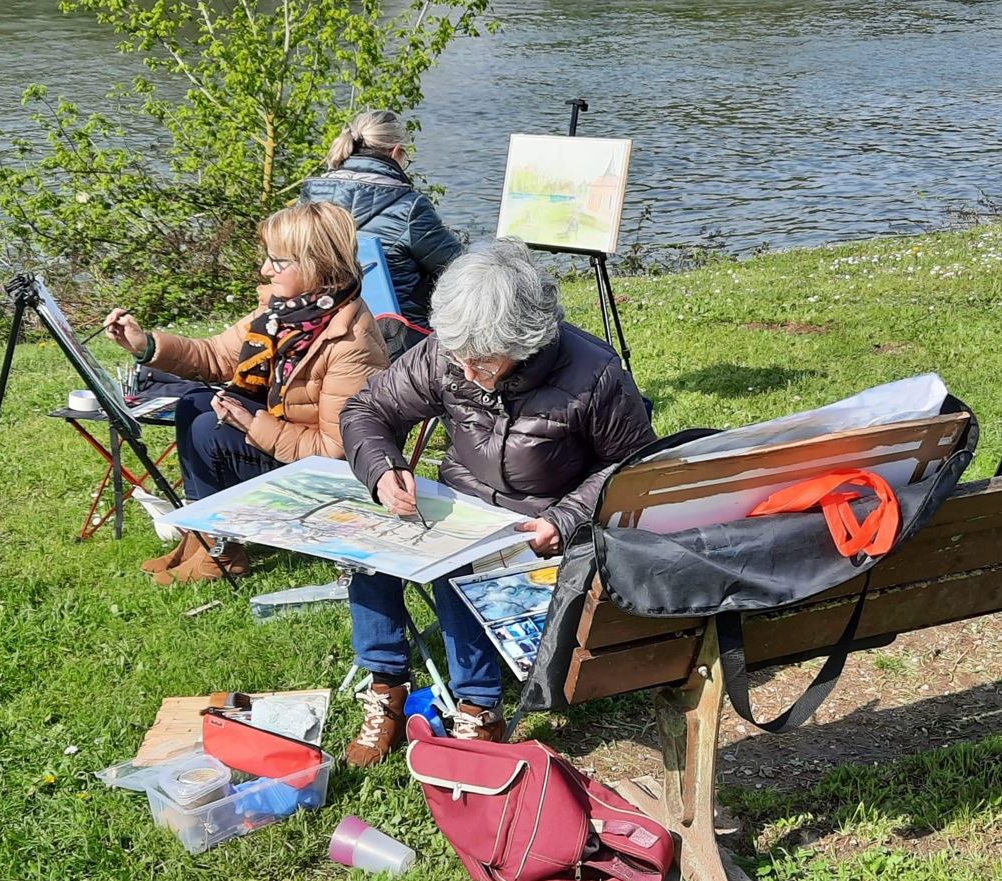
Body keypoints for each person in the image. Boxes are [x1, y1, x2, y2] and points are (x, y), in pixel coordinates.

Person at [338, 238, 655, 765]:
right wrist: (382, 469)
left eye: (481, 362)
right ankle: (386, 684)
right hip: (461, 503)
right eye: (457, 356)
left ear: (525, 342)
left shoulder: (593, 374)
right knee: (370, 553)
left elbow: (634, 468)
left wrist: (565, 517)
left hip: (541, 525)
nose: (464, 373)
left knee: (462, 566)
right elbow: (367, 410)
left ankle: (478, 707)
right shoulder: (452, 352)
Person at [103, 202, 390, 584]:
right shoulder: (282, 313)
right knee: (194, 404)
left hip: (330, 477)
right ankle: (203, 535)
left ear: (315, 265)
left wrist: (254, 423)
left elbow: (335, 451)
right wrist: (146, 347)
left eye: (277, 261)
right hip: (289, 443)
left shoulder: (352, 343)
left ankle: (221, 550)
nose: (264, 270)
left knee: (211, 430)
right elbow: (215, 355)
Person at [300, 108, 463, 349]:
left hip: (320, 323)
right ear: (396, 152)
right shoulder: (409, 207)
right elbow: (457, 267)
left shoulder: (310, 198)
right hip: (397, 337)